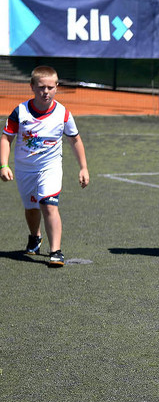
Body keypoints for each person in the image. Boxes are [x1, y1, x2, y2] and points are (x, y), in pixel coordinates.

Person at [0, 65, 89, 267]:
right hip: (24, 169)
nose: (45, 92)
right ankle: (35, 236)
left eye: (50, 87)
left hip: (50, 167)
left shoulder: (63, 114)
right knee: (31, 208)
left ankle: (56, 251)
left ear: (57, 87)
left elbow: (75, 140)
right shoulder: (20, 112)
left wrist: (83, 167)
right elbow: (6, 138)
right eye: (41, 87)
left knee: (48, 204)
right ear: (32, 86)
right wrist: (3, 165)